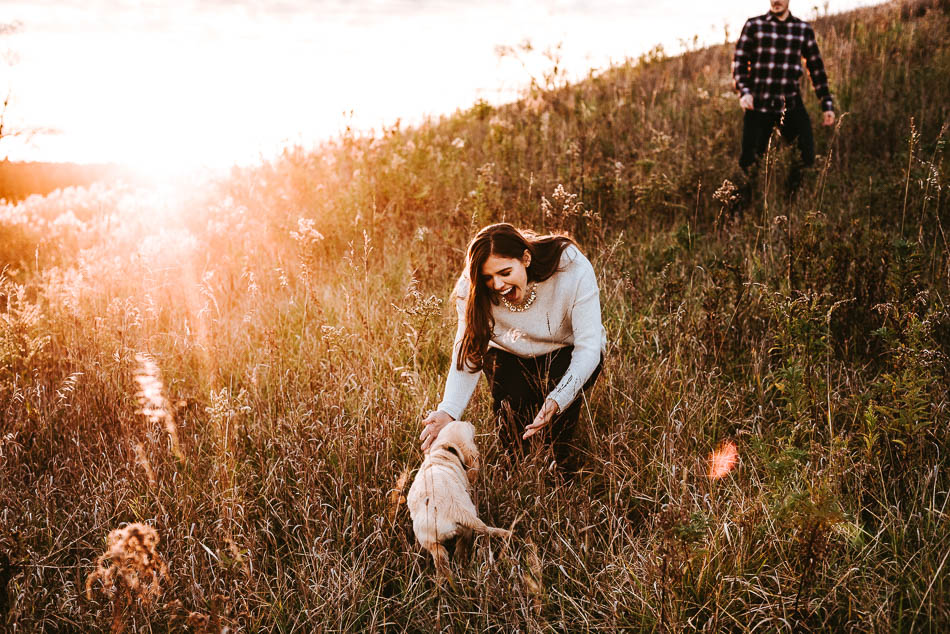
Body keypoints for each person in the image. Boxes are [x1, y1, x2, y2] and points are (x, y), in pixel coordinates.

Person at [419, 223, 605, 476]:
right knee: (514, 443)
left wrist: (556, 399)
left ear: (525, 258)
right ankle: (516, 472)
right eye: (488, 278)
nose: (497, 284)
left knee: (556, 442)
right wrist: (448, 410)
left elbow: (589, 347)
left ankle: (560, 474)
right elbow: (469, 352)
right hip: (508, 354)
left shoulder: (571, 267)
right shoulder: (471, 288)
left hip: (566, 353)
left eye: (505, 272)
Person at [733, 0, 836, 186]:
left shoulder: (802, 29)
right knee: (749, 164)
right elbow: (740, 62)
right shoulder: (754, 25)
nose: (776, 1)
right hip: (758, 104)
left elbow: (816, 68)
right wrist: (744, 92)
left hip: (790, 103)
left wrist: (826, 103)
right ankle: (738, 212)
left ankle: (790, 202)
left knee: (805, 157)